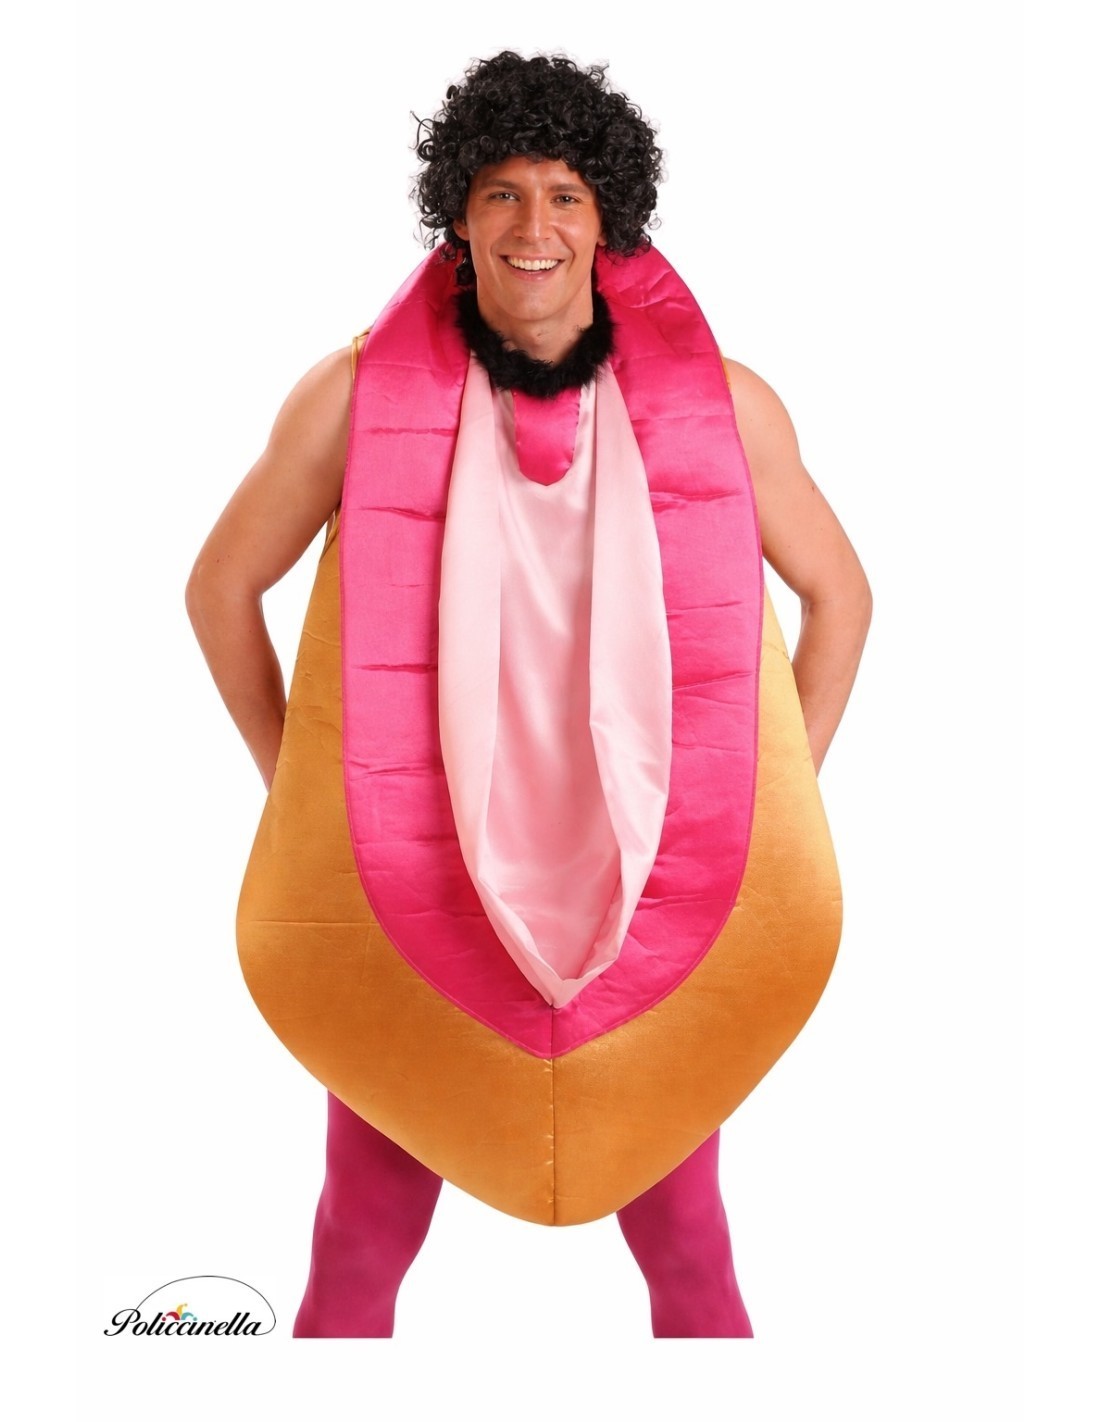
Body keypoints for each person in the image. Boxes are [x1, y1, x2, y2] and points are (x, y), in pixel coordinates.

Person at [186, 52, 872, 1339]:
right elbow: (222, 585)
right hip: (418, 882)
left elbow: (840, 594)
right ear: (458, 214)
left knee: (687, 1246)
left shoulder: (722, 408)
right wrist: (304, 797)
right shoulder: (355, 397)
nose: (532, 226)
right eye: (500, 193)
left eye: (564, 195)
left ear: (608, 218)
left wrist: (766, 796)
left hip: (646, 887)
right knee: (361, 1236)